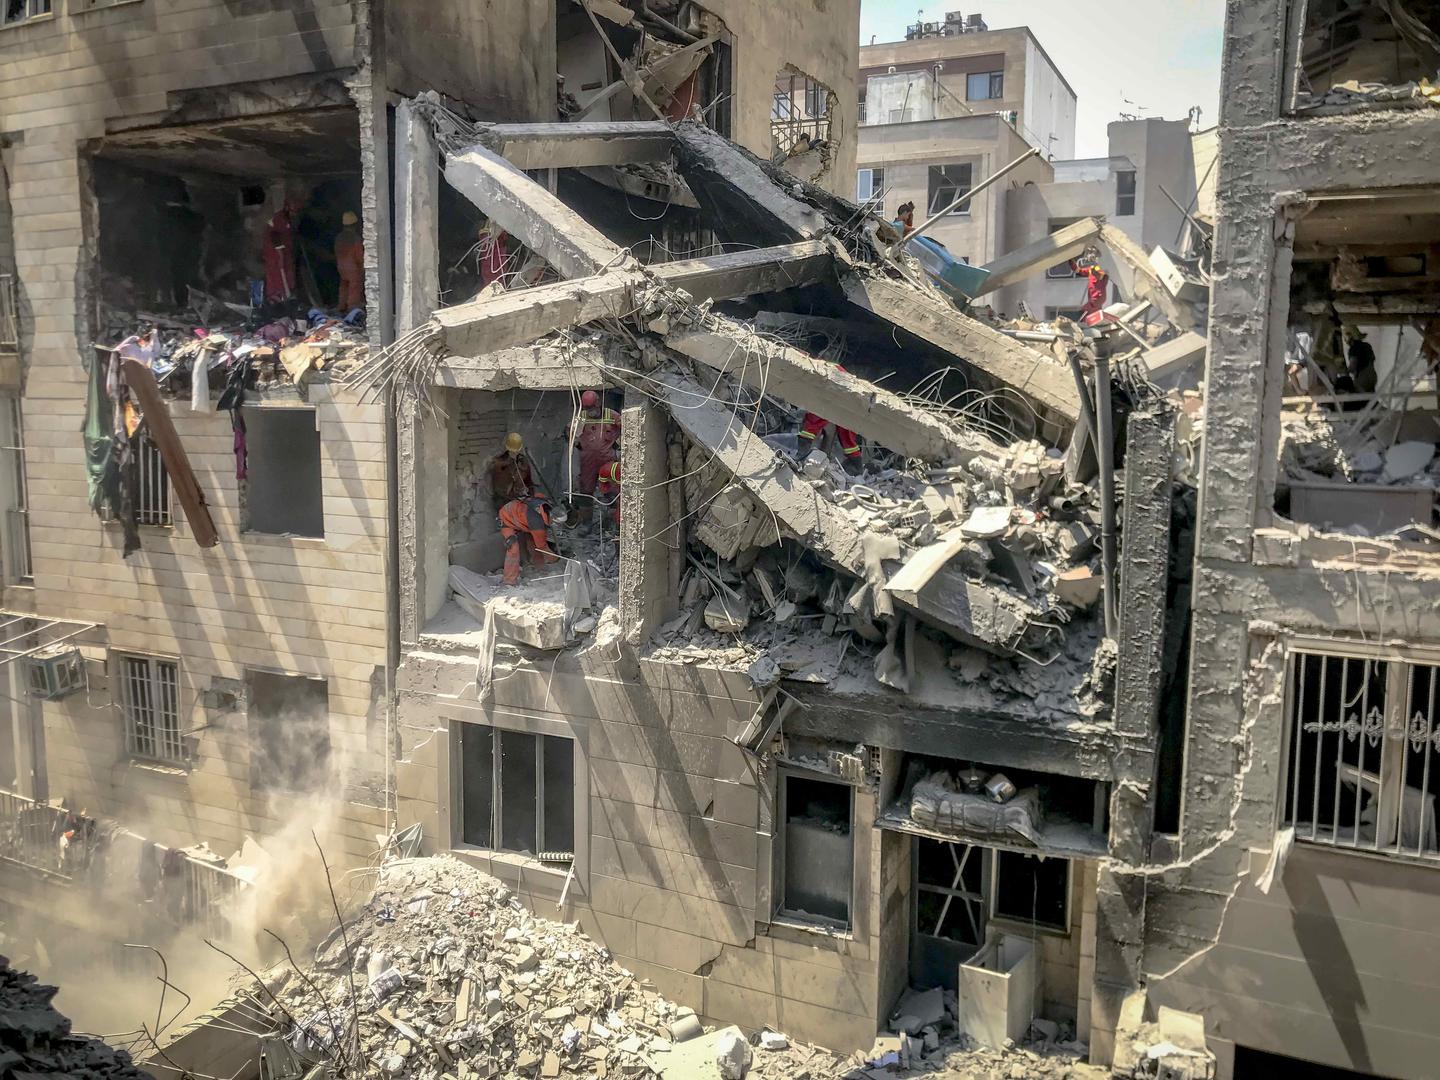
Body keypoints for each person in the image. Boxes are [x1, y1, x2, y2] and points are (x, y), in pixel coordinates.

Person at [569, 390, 621, 526]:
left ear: (599, 403)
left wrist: (621, 447)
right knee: (586, 492)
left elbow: (628, 429)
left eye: (593, 408)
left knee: (612, 490)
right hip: (588, 462)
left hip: (608, 460)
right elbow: (572, 435)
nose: (591, 411)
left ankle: (612, 522)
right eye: (588, 409)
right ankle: (586, 523)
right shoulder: (582, 416)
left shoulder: (612, 415)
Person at [498, 494, 558, 586]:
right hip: (507, 518)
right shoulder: (537, 522)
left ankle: (540, 568)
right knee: (513, 548)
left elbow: (538, 495)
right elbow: (541, 546)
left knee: (532, 542)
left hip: (521, 517)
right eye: (554, 523)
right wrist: (554, 559)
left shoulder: (547, 505)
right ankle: (509, 581)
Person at [263, 199, 298, 303]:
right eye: (292, 211)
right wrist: (280, 253)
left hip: (283, 251)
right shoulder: (279, 219)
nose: (294, 214)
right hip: (275, 253)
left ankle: (285, 296)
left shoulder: (287, 219)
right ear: (287, 208)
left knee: (286, 273)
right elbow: (274, 235)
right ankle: (277, 297)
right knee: (277, 274)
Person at [488, 432, 534, 504]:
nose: (514, 453)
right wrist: (508, 463)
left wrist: (530, 495)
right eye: (512, 451)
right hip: (503, 500)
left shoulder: (523, 462)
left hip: (520, 499)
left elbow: (529, 482)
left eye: (516, 451)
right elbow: (497, 486)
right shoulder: (500, 462)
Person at [335, 210, 365, 312]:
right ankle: (352, 307)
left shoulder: (339, 237)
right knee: (354, 288)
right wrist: (362, 266)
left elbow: (336, 251)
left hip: (341, 267)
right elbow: (359, 255)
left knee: (343, 286)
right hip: (353, 268)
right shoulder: (355, 239)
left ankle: (341, 306)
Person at [1071, 253, 1110, 321]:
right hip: (1094, 300)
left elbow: (1101, 272)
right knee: (1092, 313)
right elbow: (1078, 271)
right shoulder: (1091, 270)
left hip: (1097, 298)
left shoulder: (1101, 271)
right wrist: (1071, 261)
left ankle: (1082, 322)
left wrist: (1095, 263)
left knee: (1084, 311)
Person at [596, 459, 622, 525]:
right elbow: (603, 485)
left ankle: (618, 524)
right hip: (609, 474)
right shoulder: (606, 471)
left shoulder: (606, 470)